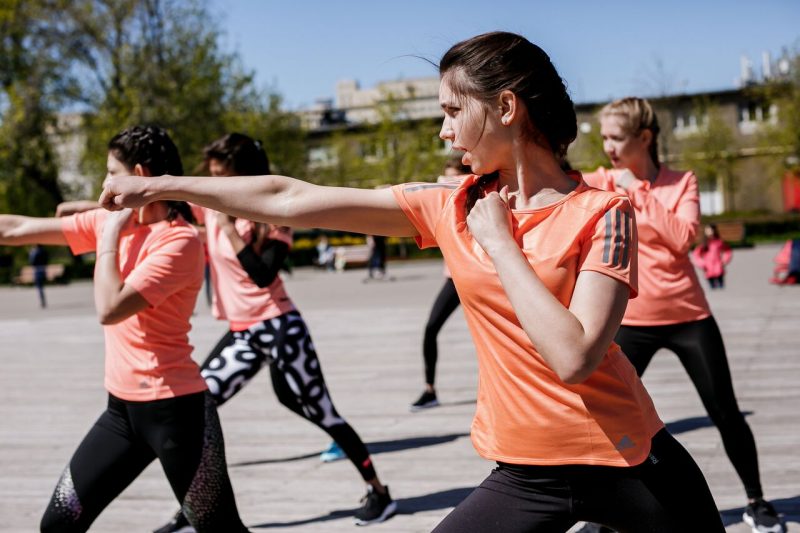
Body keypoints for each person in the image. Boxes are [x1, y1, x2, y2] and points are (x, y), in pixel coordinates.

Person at [100, 32, 724, 532]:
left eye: (454, 111)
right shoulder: (447, 206)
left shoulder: (603, 213)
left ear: (506, 108)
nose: (444, 131)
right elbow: (288, 196)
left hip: (630, 460)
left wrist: (500, 243)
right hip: (527, 470)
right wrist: (158, 186)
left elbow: (576, 354)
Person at [0, 125, 249, 532]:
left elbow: (110, 307)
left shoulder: (179, 241)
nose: (102, 183)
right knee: (58, 524)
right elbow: (15, 229)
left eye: (109, 171)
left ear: (136, 174)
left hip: (176, 413)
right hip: (121, 413)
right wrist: (109, 228)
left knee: (221, 529)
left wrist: (109, 237)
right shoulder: (112, 222)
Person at [153, 133, 396, 533]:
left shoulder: (273, 214)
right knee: (194, 411)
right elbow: (165, 202)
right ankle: (195, 504)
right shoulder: (209, 208)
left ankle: (379, 492)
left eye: (222, 176)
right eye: (212, 176)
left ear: (243, 175)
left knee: (321, 412)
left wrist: (230, 231)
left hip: (280, 327)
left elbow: (264, 275)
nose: (216, 185)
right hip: (243, 333)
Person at [583, 96, 784, 533]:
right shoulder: (599, 181)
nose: (607, 146)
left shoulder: (682, 182)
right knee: (602, 419)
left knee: (725, 412)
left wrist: (634, 188)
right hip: (632, 322)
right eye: (603, 137)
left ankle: (757, 501)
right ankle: (602, 515)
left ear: (645, 138)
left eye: (616, 137)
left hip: (690, 316)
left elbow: (683, 238)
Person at [410, 154, 470, 411]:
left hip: (480, 276)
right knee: (430, 328)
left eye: (454, 177)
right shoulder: (447, 207)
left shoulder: (478, 198)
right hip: (453, 279)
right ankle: (429, 390)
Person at [691, 223, 732, 289]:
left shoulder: (719, 242)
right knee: (712, 283)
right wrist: (701, 263)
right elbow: (696, 255)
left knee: (720, 282)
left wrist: (725, 260)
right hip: (708, 266)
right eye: (708, 230)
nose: (710, 232)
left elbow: (727, 251)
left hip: (718, 264)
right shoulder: (703, 244)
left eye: (711, 230)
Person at [28, 244, 49, 308]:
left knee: (40, 287)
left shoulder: (35, 252)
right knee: (41, 287)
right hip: (44, 269)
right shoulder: (44, 251)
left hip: (37, 270)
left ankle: (42, 301)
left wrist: (31, 253)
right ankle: (43, 301)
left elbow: (32, 262)